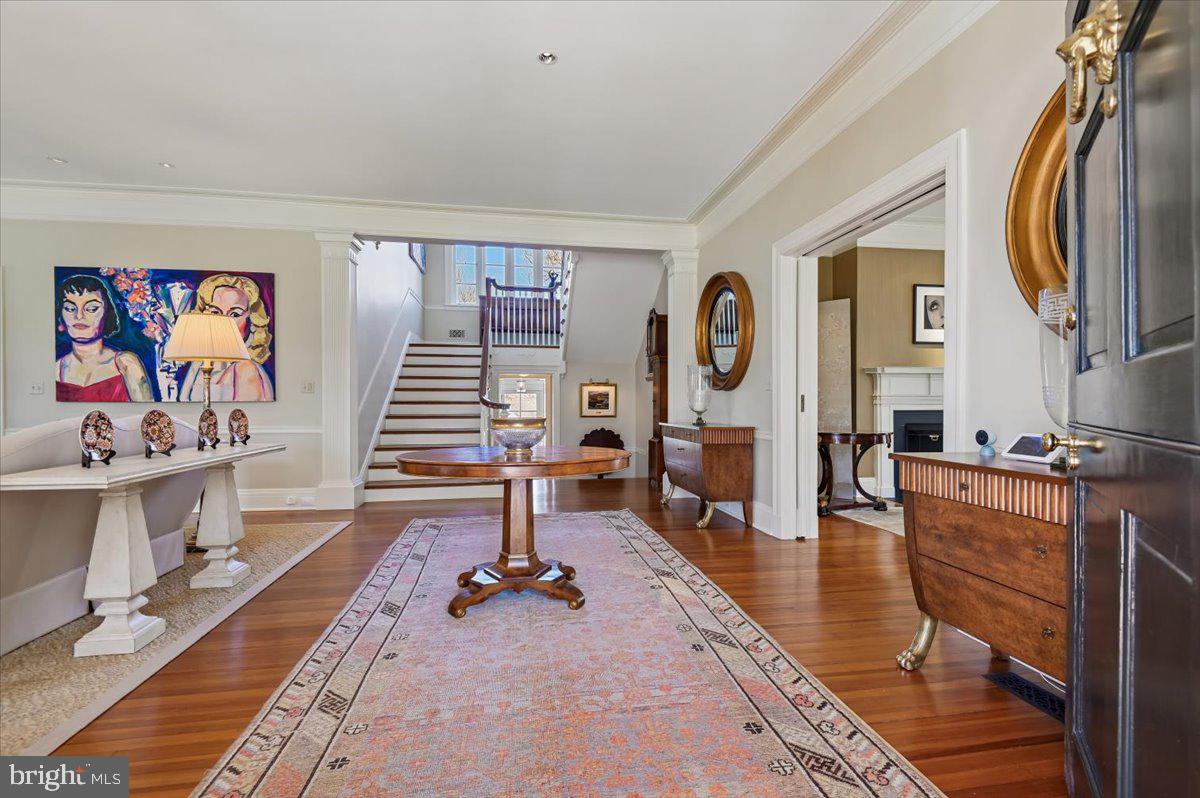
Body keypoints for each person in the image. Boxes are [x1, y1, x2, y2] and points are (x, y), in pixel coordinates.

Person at [55, 274, 154, 401]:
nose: (79, 316)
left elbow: (145, 413)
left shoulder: (125, 363)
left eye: (91, 308)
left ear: (107, 314)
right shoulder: (56, 369)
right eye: (70, 308)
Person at [179, 274, 275, 402]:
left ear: (252, 321)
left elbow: (247, 418)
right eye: (215, 312)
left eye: (234, 314)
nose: (222, 321)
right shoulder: (199, 363)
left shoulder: (246, 369)